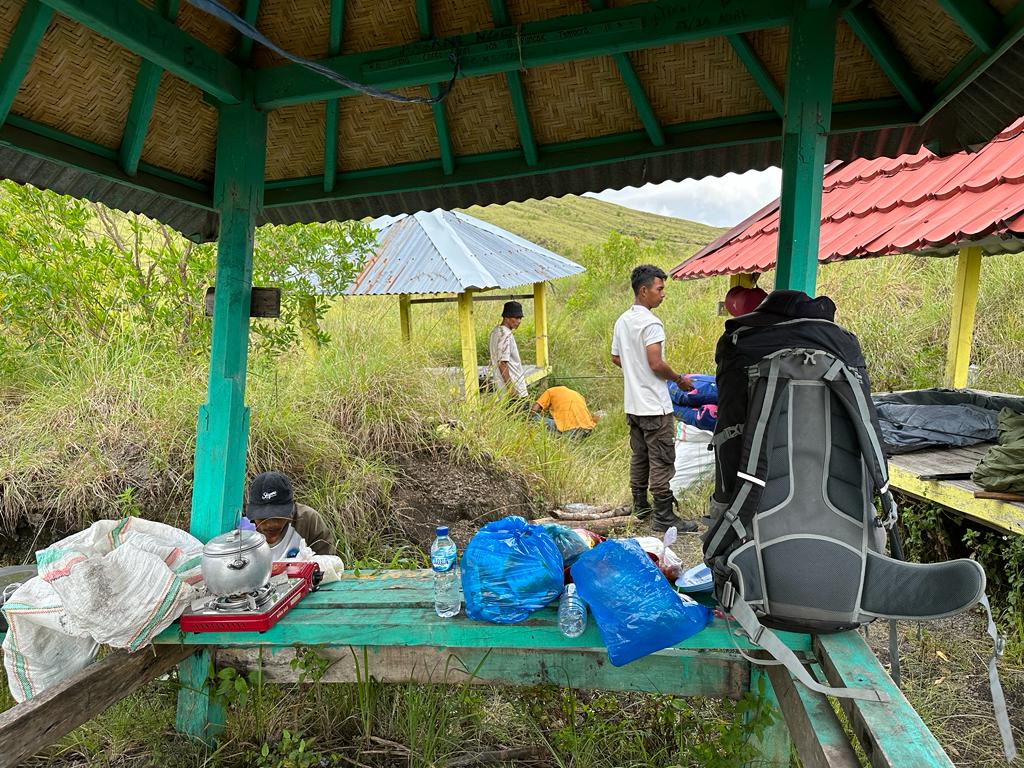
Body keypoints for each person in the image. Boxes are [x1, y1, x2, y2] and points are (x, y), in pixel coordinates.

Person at [611, 265, 698, 533]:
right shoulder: (651, 323)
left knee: (640, 456)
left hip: (633, 405)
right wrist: (679, 379)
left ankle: (641, 506)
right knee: (661, 459)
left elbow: (616, 357)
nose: (663, 294)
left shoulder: (623, 320)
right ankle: (663, 516)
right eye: (660, 289)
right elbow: (656, 363)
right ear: (644, 290)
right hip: (654, 405)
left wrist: (634, 371)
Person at [246, 471, 336, 559]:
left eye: (278, 515)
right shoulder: (240, 528)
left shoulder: (308, 520)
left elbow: (329, 564)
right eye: (262, 517)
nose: (271, 524)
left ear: (291, 507)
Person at [488, 300, 528, 401]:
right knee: (522, 415)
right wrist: (511, 388)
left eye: (520, 318)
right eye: (516, 318)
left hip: (501, 389)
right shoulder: (506, 335)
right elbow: (502, 363)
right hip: (514, 388)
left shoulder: (495, 332)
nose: (519, 321)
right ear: (506, 317)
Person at [530, 385, 598, 438]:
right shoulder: (577, 394)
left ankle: (560, 437)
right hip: (588, 429)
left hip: (569, 430)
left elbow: (534, 409)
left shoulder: (550, 391)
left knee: (534, 419)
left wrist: (527, 416)